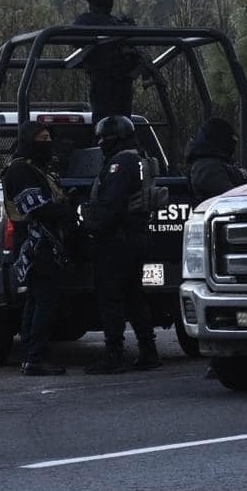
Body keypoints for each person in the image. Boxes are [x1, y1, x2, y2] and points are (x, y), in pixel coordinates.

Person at [83, 115, 164, 373]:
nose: (100, 143)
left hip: (118, 239)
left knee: (111, 298)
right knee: (133, 296)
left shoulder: (121, 163)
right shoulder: (141, 159)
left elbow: (111, 204)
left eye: (103, 138)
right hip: (135, 236)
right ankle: (148, 350)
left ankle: (114, 354)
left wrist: (92, 229)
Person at [0, 122, 76, 376]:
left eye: (48, 137)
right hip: (34, 246)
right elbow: (35, 208)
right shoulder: (19, 171)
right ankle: (35, 357)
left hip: (46, 244)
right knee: (45, 300)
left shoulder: (40, 170)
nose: (47, 142)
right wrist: (68, 211)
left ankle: (32, 355)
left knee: (36, 300)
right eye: (41, 138)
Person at [73, 0, 141, 118]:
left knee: (125, 125)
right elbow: (76, 40)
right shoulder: (85, 21)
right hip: (103, 81)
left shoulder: (118, 22)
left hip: (123, 81)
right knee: (105, 124)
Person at [186, 116, 247, 205]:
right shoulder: (207, 168)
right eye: (231, 140)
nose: (233, 147)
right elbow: (230, 200)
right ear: (222, 140)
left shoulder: (218, 163)